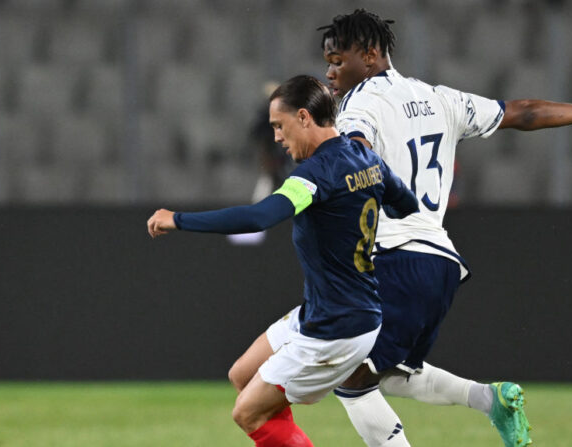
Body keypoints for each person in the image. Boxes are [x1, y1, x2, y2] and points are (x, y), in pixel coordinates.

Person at [229, 9, 572, 447]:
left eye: (338, 60)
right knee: (368, 375)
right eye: (328, 62)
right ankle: (490, 400)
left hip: (389, 261)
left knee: (351, 376)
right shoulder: (441, 98)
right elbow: (522, 112)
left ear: (370, 55)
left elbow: (354, 152)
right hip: (437, 263)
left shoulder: (361, 105)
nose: (330, 72)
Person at [147, 74, 419, 447]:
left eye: (280, 125)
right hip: (335, 310)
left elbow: (260, 217)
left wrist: (178, 219)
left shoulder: (314, 175)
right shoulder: (365, 157)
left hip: (335, 329)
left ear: (304, 117)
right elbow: (405, 204)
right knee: (243, 375)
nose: (276, 137)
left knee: (248, 413)